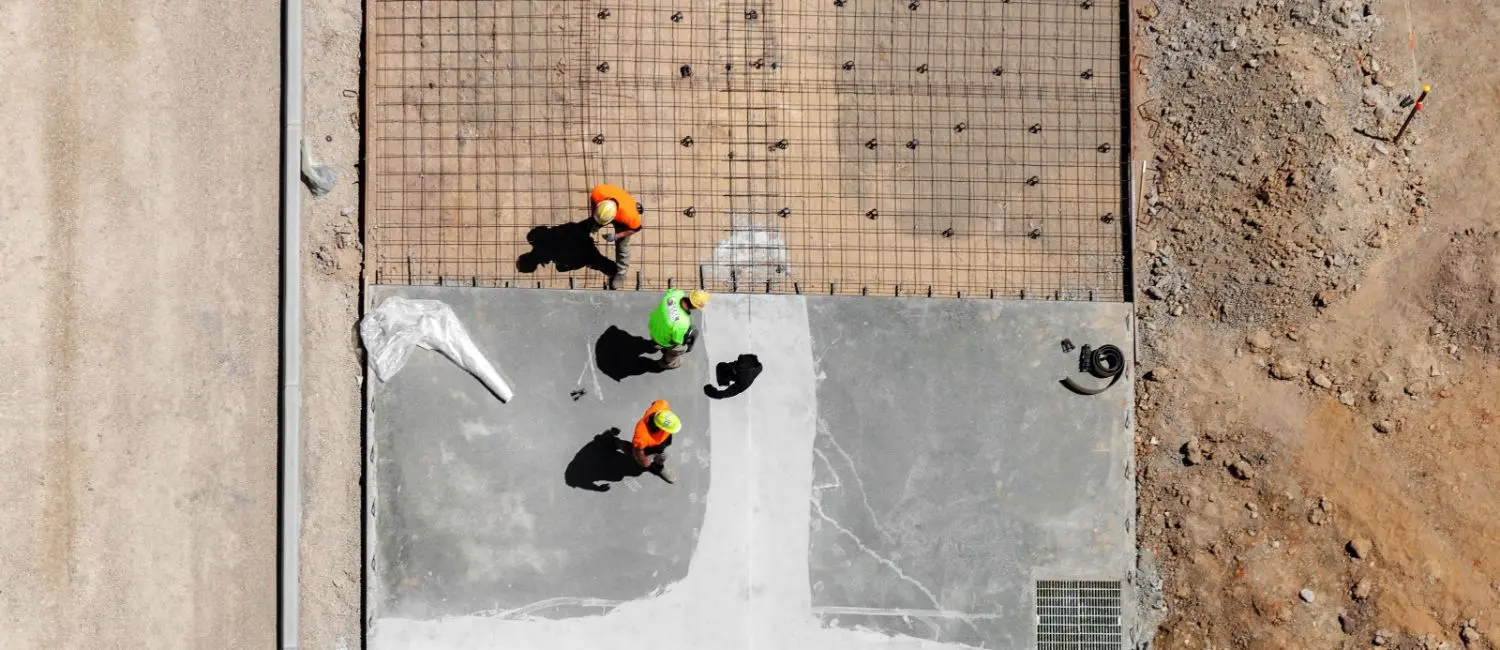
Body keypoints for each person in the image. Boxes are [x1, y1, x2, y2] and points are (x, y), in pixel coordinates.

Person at [590, 184, 643, 289]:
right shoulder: (597, 193)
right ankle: (590, 231)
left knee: (623, 247)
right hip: (611, 201)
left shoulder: (629, 216)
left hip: (625, 210)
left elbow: (635, 229)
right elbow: (595, 209)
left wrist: (617, 236)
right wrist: (595, 222)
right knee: (594, 222)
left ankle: (621, 274)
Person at [649, 289, 709, 369]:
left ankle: (655, 344)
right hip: (662, 339)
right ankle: (666, 362)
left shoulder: (676, 293)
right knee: (681, 348)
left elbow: (669, 291)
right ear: (695, 306)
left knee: (663, 329)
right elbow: (676, 341)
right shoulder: (683, 323)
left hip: (653, 326)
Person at [629, 399, 681, 484]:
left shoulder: (662, 405)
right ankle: (616, 442)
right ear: (660, 428)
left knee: (663, 455)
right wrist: (643, 461)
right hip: (648, 448)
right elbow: (637, 450)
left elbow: (655, 402)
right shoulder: (642, 435)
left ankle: (658, 467)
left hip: (663, 443)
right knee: (633, 453)